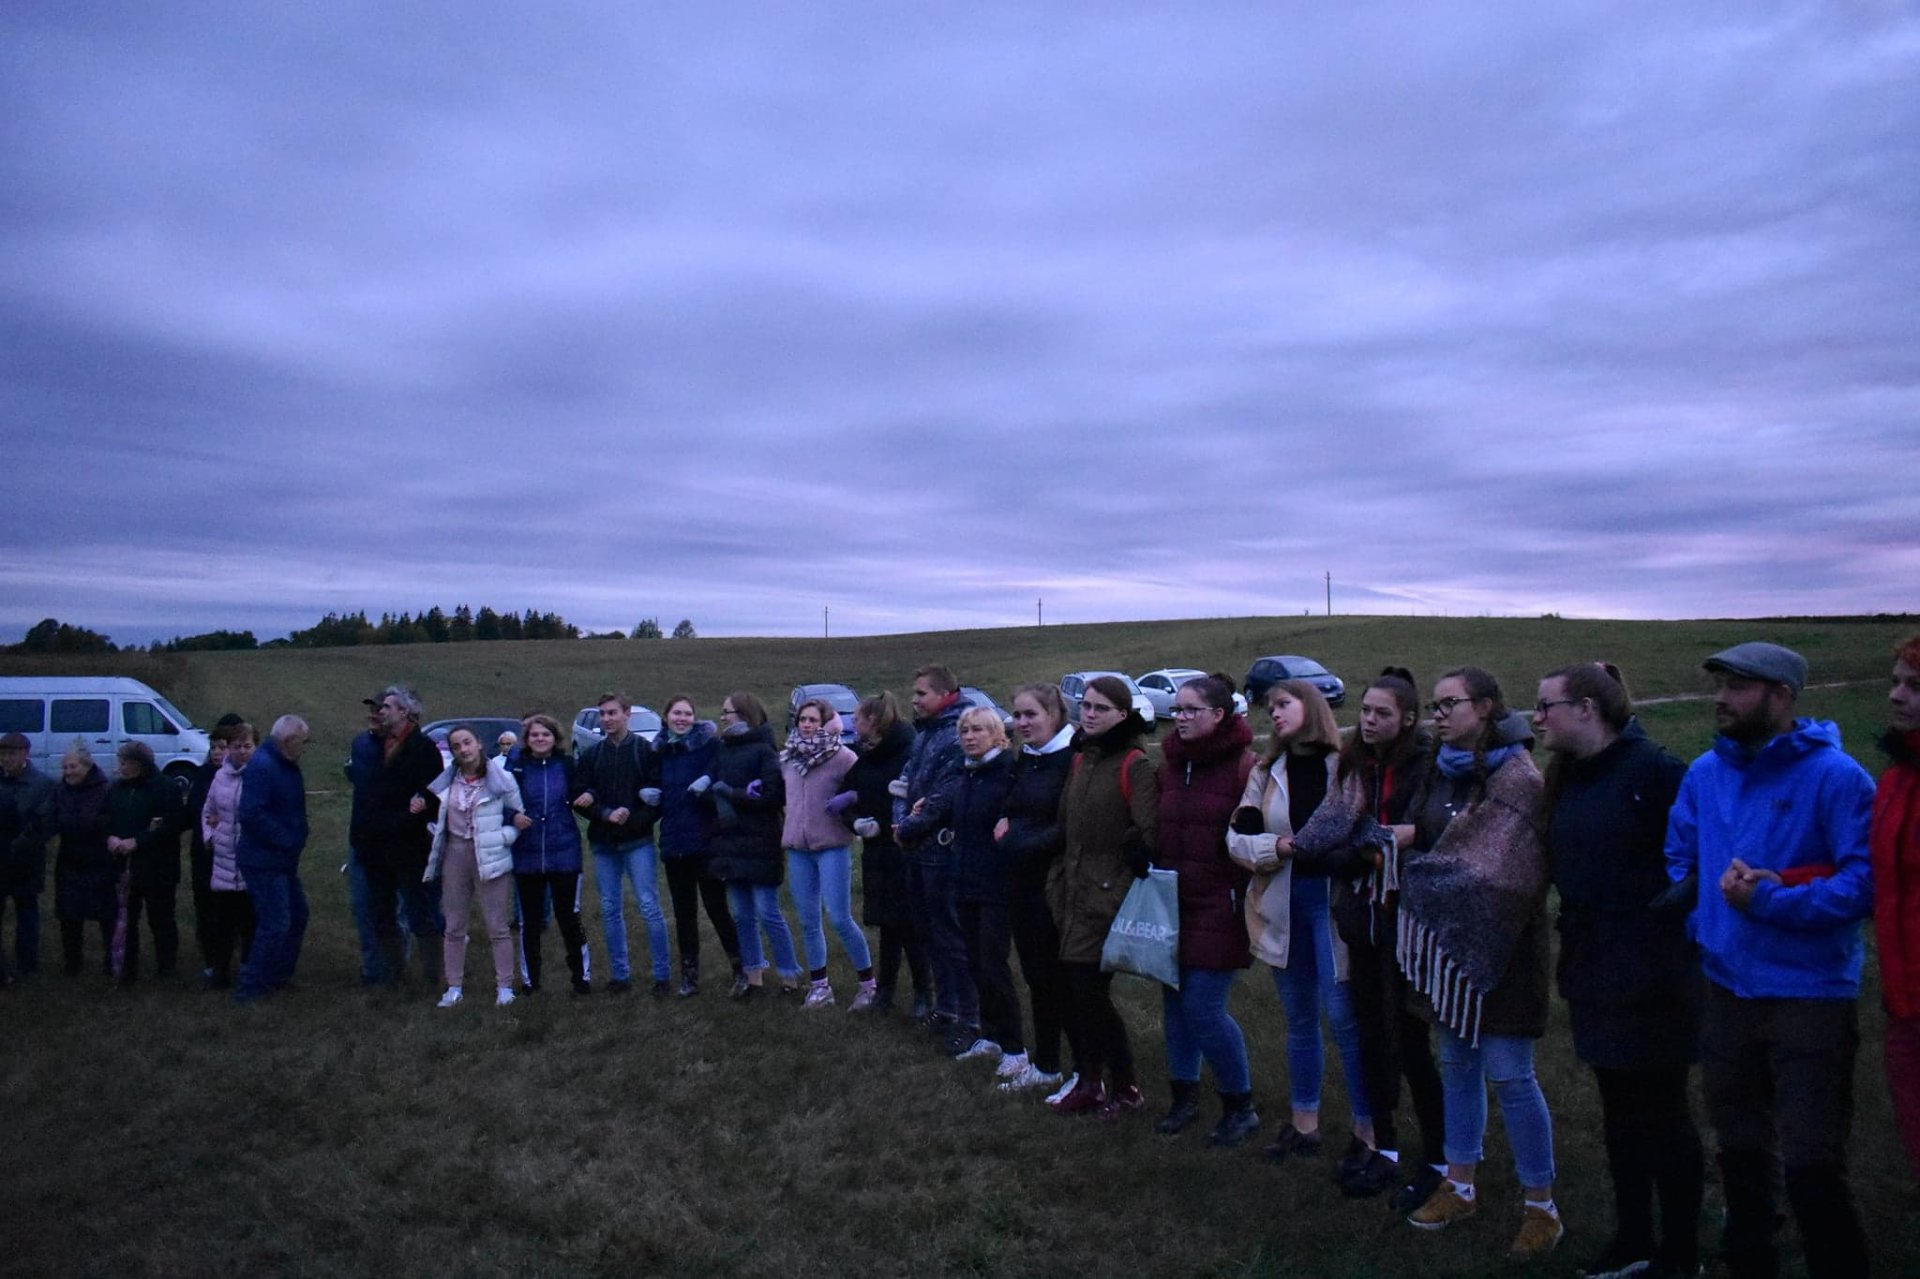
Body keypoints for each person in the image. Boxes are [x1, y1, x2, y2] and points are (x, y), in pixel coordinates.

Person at [1665, 642, 1873, 1279]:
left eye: (1739, 687)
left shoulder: (1837, 777)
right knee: (1740, 1151)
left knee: (1813, 1163)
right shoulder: (1705, 773)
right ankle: (1749, 1262)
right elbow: (1681, 859)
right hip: (1726, 991)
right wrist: (1707, 924)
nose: (1721, 699)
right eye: (1720, 686)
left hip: (1811, 995)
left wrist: (1769, 901)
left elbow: (1863, 881)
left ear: (1782, 697)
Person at [1536, 662, 1701, 1278]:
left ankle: (1680, 1255)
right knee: (1620, 1113)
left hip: (1654, 973)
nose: (1537, 718)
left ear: (1586, 708)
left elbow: (1698, 864)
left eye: (1546, 705)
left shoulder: (1656, 772)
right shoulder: (1568, 778)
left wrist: (1658, 930)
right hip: (1593, 966)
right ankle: (1633, 1241)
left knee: (1663, 1113)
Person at [1397, 667, 1560, 1262]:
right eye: (1435, 706)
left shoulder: (1518, 779)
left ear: (1486, 707)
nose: (1438, 716)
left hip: (1504, 948)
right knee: (1457, 1065)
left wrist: (1434, 878)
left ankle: (1541, 1206)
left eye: (1450, 704)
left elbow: (1515, 872)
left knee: (1511, 1075)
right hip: (1448, 950)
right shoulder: (1440, 773)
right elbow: (1433, 844)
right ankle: (1460, 1184)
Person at [1227, 680, 1371, 1163]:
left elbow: (1359, 829)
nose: (1274, 714)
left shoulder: (1345, 766)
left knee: (1344, 1018)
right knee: (1300, 1019)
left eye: (1283, 704)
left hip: (1332, 906)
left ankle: (1368, 1130)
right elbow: (1236, 839)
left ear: (1310, 707)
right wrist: (1279, 847)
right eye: (1270, 707)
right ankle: (1304, 1123)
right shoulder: (1267, 771)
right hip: (1283, 905)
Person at [1320, 669, 1446, 1207]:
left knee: (1413, 1042)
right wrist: (1350, 853)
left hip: (1410, 922)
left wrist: (1363, 852)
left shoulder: (1429, 765)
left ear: (1408, 719)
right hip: (1364, 920)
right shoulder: (1356, 764)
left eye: (1382, 714)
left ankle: (1439, 1156)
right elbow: (1333, 828)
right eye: (1365, 711)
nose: (1368, 721)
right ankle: (1385, 1145)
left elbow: (1430, 832)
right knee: (1373, 1035)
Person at [1154, 674, 1259, 1145]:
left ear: (1219, 715)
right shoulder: (1171, 765)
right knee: (1174, 1003)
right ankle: (1184, 1096)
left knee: (1203, 1006)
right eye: (1177, 710)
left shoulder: (1244, 766)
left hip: (1222, 902)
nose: (1181, 718)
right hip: (1172, 900)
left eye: (1191, 710)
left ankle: (1240, 1105)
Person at [1048, 674, 1157, 1118]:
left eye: (1101, 708)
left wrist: (1119, 876)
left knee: (1090, 993)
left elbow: (1148, 833)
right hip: (1072, 891)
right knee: (1076, 993)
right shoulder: (1081, 759)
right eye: (1087, 706)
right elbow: (1065, 824)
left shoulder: (1134, 764)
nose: (1090, 714)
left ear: (1123, 715)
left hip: (1107, 895)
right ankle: (1091, 1082)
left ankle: (1125, 1086)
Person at [992, 684, 1075, 1094]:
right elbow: (1013, 803)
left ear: (1054, 715)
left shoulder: (1072, 759)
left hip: (1056, 885)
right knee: (1036, 976)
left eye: (1031, 715)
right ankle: (1047, 1062)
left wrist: (1022, 843)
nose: (1021, 723)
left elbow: (1069, 824)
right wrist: (1005, 820)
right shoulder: (1028, 758)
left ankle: (1080, 1067)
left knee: (1060, 978)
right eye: (1017, 715)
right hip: (1021, 882)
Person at [893, 666, 975, 1039]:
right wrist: (899, 822)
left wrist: (908, 827)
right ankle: (945, 1009)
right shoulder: (925, 733)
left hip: (941, 851)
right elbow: (903, 782)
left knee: (950, 937)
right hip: (916, 848)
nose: (914, 700)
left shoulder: (958, 734)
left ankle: (967, 1015)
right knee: (929, 934)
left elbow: (943, 797)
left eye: (922, 693)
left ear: (945, 695)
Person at [419, 724, 525, 1008]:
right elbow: (435, 813)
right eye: (456, 746)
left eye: (467, 743)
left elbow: (518, 816)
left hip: (490, 855)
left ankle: (504, 987)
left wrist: (502, 837)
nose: (463, 750)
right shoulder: (447, 780)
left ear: (478, 744)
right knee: (454, 925)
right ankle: (453, 987)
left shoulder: (501, 778)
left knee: (497, 925)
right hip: (455, 854)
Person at [779, 698, 875, 1009]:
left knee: (839, 917)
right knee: (808, 920)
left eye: (813, 720)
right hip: (798, 848)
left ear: (824, 724)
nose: (807, 725)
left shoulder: (843, 756)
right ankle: (820, 987)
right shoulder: (787, 758)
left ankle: (868, 985)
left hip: (832, 844)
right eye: (802, 720)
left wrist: (850, 797)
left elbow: (866, 787)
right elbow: (777, 791)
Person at [701, 693, 797, 998]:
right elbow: (713, 787)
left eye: (726, 712)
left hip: (760, 842)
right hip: (730, 841)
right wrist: (715, 794)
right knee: (742, 915)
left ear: (743, 714)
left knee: (768, 912)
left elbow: (773, 795)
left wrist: (734, 794)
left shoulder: (764, 750)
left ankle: (789, 977)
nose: (722, 717)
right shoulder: (724, 750)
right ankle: (753, 976)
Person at [573, 691, 668, 996]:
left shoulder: (645, 751)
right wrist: (604, 814)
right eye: (602, 714)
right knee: (610, 908)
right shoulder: (592, 755)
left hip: (638, 841)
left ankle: (662, 975)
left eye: (612, 712)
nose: (607, 719)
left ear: (627, 714)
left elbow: (657, 798)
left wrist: (632, 819)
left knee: (649, 906)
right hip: (604, 844)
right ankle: (620, 975)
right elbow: (579, 796)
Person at [348, 686, 444, 988]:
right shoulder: (374, 745)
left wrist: (409, 816)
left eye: (387, 707)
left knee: (419, 913)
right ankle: (394, 975)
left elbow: (434, 796)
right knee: (382, 914)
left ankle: (432, 978)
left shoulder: (423, 748)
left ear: (404, 712)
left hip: (408, 847)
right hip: (374, 847)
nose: (381, 711)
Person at [649, 696, 741, 998]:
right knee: (684, 912)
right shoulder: (660, 751)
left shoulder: (709, 745)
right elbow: (654, 785)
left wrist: (707, 781)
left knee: (716, 907)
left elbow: (721, 771)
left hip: (706, 840)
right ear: (666, 716)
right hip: (674, 841)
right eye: (677, 713)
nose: (682, 718)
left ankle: (740, 967)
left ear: (694, 717)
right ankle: (689, 975)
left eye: (687, 713)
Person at [944, 706, 1020, 1063]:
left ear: (997, 734)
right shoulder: (967, 772)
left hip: (996, 885)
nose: (970, 737)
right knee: (975, 962)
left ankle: (1015, 1047)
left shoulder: (1007, 771)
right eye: (965, 731)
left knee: (993, 965)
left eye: (978, 730)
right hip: (965, 881)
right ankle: (991, 1036)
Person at [847, 692, 927, 1014]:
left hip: (904, 848)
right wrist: (855, 821)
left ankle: (923, 994)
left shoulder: (908, 750)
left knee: (910, 925)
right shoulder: (867, 755)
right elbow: (847, 793)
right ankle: (885, 991)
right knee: (888, 925)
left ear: (873, 720)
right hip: (875, 848)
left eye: (857, 719)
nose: (853, 724)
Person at [505, 713, 590, 995]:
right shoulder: (517, 767)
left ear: (555, 738)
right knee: (529, 921)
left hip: (564, 851)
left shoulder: (567, 765)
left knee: (569, 916)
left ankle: (581, 977)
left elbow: (583, 791)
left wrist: (589, 796)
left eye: (546, 734)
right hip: (527, 852)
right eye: (535, 735)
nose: (540, 739)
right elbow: (500, 801)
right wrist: (513, 816)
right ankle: (531, 981)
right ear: (527, 739)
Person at [1878, 634, 1920, 1183]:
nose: (1896, 695)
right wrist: (1780, 881)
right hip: (1903, 1007)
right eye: (1895, 683)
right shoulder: (1896, 779)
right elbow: (1874, 875)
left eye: (1915, 686)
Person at [233, 716, 312, 1002]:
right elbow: (251, 813)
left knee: (297, 916)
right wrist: (286, 838)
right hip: (263, 860)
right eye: (304, 742)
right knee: (275, 922)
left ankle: (278, 976)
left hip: (282, 860)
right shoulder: (263, 766)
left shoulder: (284, 763)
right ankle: (251, 987)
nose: (305, 748)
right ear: (288, 741)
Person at [103, 740, 184, 983]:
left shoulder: (166, 788)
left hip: (159, 868)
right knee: (126, 918)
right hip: (124, 867)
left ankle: (167, 968)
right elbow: (105, 817)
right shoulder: (117, 789)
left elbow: (172, 825)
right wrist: (110, 837)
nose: (120, 768)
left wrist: (138, 841)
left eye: (124, 763)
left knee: (161, 919)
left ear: (139, 764)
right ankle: (127, 968)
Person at [198, 721, 260, 990]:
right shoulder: (220, 777)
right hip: (223, 862)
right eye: (237, 746)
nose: (243, 751)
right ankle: (220, 972)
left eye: (248, 746)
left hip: (251, 862)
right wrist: (209, 837)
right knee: (222, 922)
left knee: (250, 922)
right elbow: (208, 811)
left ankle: (249, 969)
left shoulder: (261, 776)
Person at [52, 743, 113, 976]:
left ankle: (112, 960)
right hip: (69, 860)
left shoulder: (105, 790)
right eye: (65, 767)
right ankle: (72, 964)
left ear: (87, 767)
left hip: (100, 861)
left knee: (106, 915)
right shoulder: (60, 790)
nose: (68, 772)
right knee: (69, 916)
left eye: (73, 766)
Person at [0, 731, 53, 987]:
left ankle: (27, 963)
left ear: (25, 754)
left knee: (27, 912)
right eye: (3, 754)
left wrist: (16, 847)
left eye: (11, 754)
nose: (6, 759)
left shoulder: (42, 784)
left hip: (25, 861)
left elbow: (43, 824)